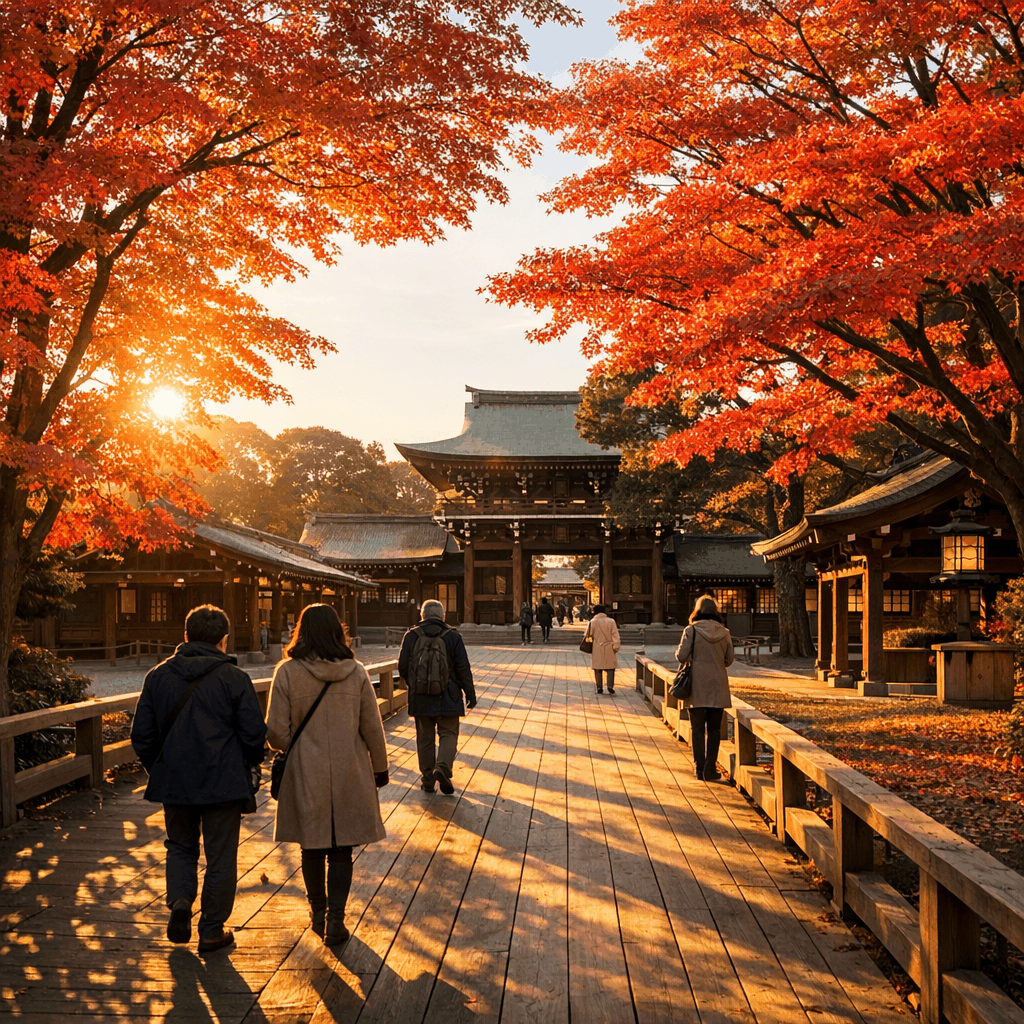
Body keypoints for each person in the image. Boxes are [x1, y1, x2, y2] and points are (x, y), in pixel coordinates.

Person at [131, 604, 267, 953]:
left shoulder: (158, 677)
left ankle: (180, 902)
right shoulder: (235, 679)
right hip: (224, 781)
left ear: (185, 636)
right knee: (221, 854)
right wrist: (249, 765)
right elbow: (254, 735)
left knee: (180, 846)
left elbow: (142, 736)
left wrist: (159, 766)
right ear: (224, 640)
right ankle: (211, 929)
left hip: (174, 780)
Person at [265, 603, 389, 946]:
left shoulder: (287, 673)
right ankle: (337, 918)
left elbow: (275, 731)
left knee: (312, 845)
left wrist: (295, 745)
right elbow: (372, 728)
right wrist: (380, 767)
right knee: (341, 850)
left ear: (300, 631)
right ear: (338, 631)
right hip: (350, 768)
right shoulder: (357, 671)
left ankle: (317, 912)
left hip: (305, 770)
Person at [399, 599, 477, 795]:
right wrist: (470, 693)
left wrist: (416, 685)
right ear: (443, 616)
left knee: (424, 739)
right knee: (448, 734)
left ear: (422, 616)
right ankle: (442, 768)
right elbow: (462, 668)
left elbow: (402, 667)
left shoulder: (411, 635)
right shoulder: (452, 636)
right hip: (448, 695)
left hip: (421, 698)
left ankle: (427, 781)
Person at [675, 594, 734, 781]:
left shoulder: (691, 630)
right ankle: (710, 768)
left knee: (698, 729)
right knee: (715, 730)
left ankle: (699, 768)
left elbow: (681, 656)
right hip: (718, 685)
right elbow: (729, 660)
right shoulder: (724, 632)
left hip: (697, 685)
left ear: (697, 610)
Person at [586, 604, 621, 694]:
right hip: (609, 646)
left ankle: (599, 686)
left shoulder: (592, 621)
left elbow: (587, 634)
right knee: (610, 668)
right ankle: (610, 685)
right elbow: (615, 635)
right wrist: (616, 646)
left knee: (597, 668)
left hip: (597, 646)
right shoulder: (611, 621)